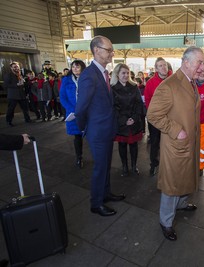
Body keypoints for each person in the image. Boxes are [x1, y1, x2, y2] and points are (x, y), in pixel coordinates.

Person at [147, 46, 204, 241]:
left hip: (189, 143)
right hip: (176, 144)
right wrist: (175, 129)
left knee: (186, 176)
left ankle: (181, 204)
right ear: (186, 62)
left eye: (202, 62)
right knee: (172, 184)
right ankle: (166, 221)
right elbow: (153, 115)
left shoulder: (191, 82)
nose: (202, 66)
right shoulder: (169, 85)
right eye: (199, 62)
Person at [75, 35, 125, 217]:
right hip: (97, 131)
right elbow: (80, 109)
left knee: (105, 165)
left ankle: (105, 193)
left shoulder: (103, 73)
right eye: (109, 50)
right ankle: (96, 203)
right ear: (97, 50)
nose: (112, 53)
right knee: (100, 167)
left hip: (106, 129)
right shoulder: (89, 75)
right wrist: (84, 128)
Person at [111, 63, 144, 177]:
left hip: (134, 121)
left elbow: (139, 104)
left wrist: (134, 118)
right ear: (117, 74)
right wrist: (124, 120)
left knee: (134, 145)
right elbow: (113, 107)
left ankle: (134, 166)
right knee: (122, 145)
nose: (125, 75)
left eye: (127, 73)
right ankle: (124, 167)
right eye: (123, 73)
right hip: (122, 123)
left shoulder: (134, 86)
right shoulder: (113, 88)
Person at [144, 57, 171, 176]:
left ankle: (168, 165)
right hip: (155, 119)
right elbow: (148, 101)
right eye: (160, 66)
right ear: (156, 68)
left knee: (169, 142)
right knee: (155, 142)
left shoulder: (174, 80)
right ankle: (154, 164)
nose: (163, 68)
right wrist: (156, 114)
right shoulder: (150, 83)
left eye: (164, 65)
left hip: (170, 118)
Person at [59, 59, 87, 168]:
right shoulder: (66, 80)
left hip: (86, 112)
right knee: (77, 136)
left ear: (82, 68)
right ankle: (79, 157)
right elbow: (62, 97)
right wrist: (72, 109)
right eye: (73, 67)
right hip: (73, 113)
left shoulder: (86, 79)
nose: (75, 69)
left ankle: (97, 156)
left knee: (91, 134)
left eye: (77, 67)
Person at [4, 62, 31, 126]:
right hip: (13, 95)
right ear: (11, 68)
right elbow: (6, 85)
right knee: (11, 109)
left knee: (25, 108)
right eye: (15, 67)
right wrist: (16, 85)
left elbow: (23, 83)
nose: (16, 68)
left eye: (17, 66)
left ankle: (27, 119)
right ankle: (9, 121)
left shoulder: (21, 74)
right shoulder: (8, 75)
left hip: (22, 94)